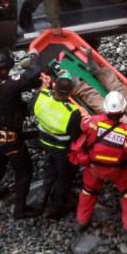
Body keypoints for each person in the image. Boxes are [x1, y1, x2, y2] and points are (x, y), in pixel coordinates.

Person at [69, 91, 127, 237]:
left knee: (88, 190)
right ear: (122, 111)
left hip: (93, 167)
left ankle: (81, 222)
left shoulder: (93, 122)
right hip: (117, 171)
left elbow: (80, 128)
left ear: (106, 108)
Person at [0, 48, 44, 219]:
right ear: (4, 69)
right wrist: (34, 56)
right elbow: (33, 72)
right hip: (11, 139)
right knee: (24, 172)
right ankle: (20, 209)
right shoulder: (7, 87)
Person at [30, 71, 83, 219]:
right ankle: (55, 208)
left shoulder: (41, 97)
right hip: (61, 148)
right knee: (64, 177)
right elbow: (75, 135)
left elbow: (31, 107)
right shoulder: (72, 112)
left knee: (51, 169)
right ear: (70, 92)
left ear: (54, 86)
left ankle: (42, 198)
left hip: (44, 141)